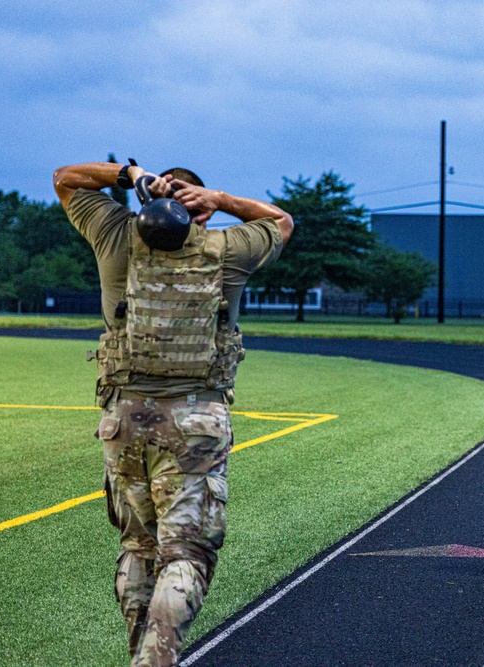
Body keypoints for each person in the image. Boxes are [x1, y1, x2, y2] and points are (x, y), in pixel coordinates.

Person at [53, 159, 294, 666]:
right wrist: (222, 201)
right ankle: (155, 661)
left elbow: (66, 178)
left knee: (139, 547)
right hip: (195, 423)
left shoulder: (114, 236)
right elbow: (280, 221)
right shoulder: (226, 250)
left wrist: (130, 174)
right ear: (198, 213)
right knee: (187, 556)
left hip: (123, 420)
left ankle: (140, 655)